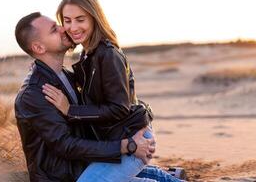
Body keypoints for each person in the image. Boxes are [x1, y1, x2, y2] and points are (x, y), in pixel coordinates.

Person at [15, 12, 183, 182]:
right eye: (53, 29)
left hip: (85, 166)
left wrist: (139, 120)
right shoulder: (35, 94)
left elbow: (109, 103)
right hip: (62, 177)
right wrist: (126, 146)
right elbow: (65, 145)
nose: (63, 28)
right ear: (39, 48)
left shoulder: (67, 75)